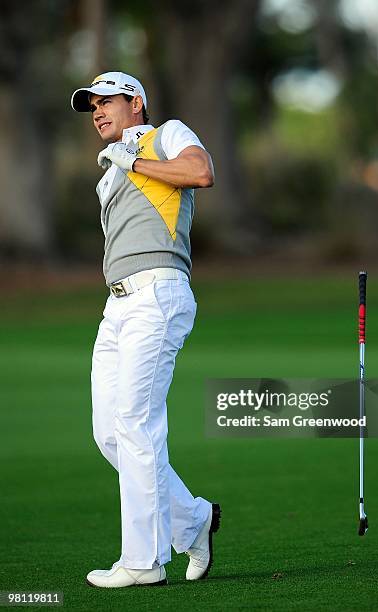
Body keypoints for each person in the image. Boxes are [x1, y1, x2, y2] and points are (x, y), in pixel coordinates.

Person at [71, 71, 219, 588]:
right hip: (116, 307)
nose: (96, 111)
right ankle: (193, 519)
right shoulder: (106, 172)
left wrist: (132, 159)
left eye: (105, 100)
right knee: (109, 432)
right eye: (91, 105)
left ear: (135, 101)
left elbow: (200, 173)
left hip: (158, 293)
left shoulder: (168, 133)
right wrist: (119, 165)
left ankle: (143, 562)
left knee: (136, 423)